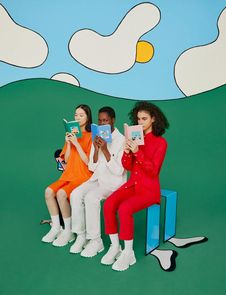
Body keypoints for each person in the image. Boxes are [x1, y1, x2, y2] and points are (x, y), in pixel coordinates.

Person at [101, 101, 169, 271]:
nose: (140, 122)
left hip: (149, 189)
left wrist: (138, 151)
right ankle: (115, 246)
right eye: (138, 119)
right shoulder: (135, 138)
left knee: (124, 209)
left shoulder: (161, 143)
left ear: (153, 119)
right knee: (109, 204)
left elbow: (153, 171)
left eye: (144, 119)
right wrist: (127, 151)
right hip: (133, 185)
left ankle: (128, 253)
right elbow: (128, 166)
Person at [70, 107, 127, 257]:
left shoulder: (121, 140)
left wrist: (106, 150)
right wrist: (96, 149)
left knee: (91, 198)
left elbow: (119, 171)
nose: (102, 124)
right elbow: (91, 166)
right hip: (97, 178)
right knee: (75, 194)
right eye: (100, 120)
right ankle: (81, 235)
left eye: (105, 120)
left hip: (113, 183)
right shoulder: (97, 136)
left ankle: (96, 241)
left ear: (113, 120)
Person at [41, 104, 93, 247]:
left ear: (88, 118)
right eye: (76, 115)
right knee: (48, 192)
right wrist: (69, 144)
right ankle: (57, 228)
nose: (77, 117)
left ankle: (68, 231)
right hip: (68, 175)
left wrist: (77, 144)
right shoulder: (71, 136)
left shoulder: (92, 137)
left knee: (62, 194)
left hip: (83, 176)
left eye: (81, 115)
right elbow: (67, 160)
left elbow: (89, 162)